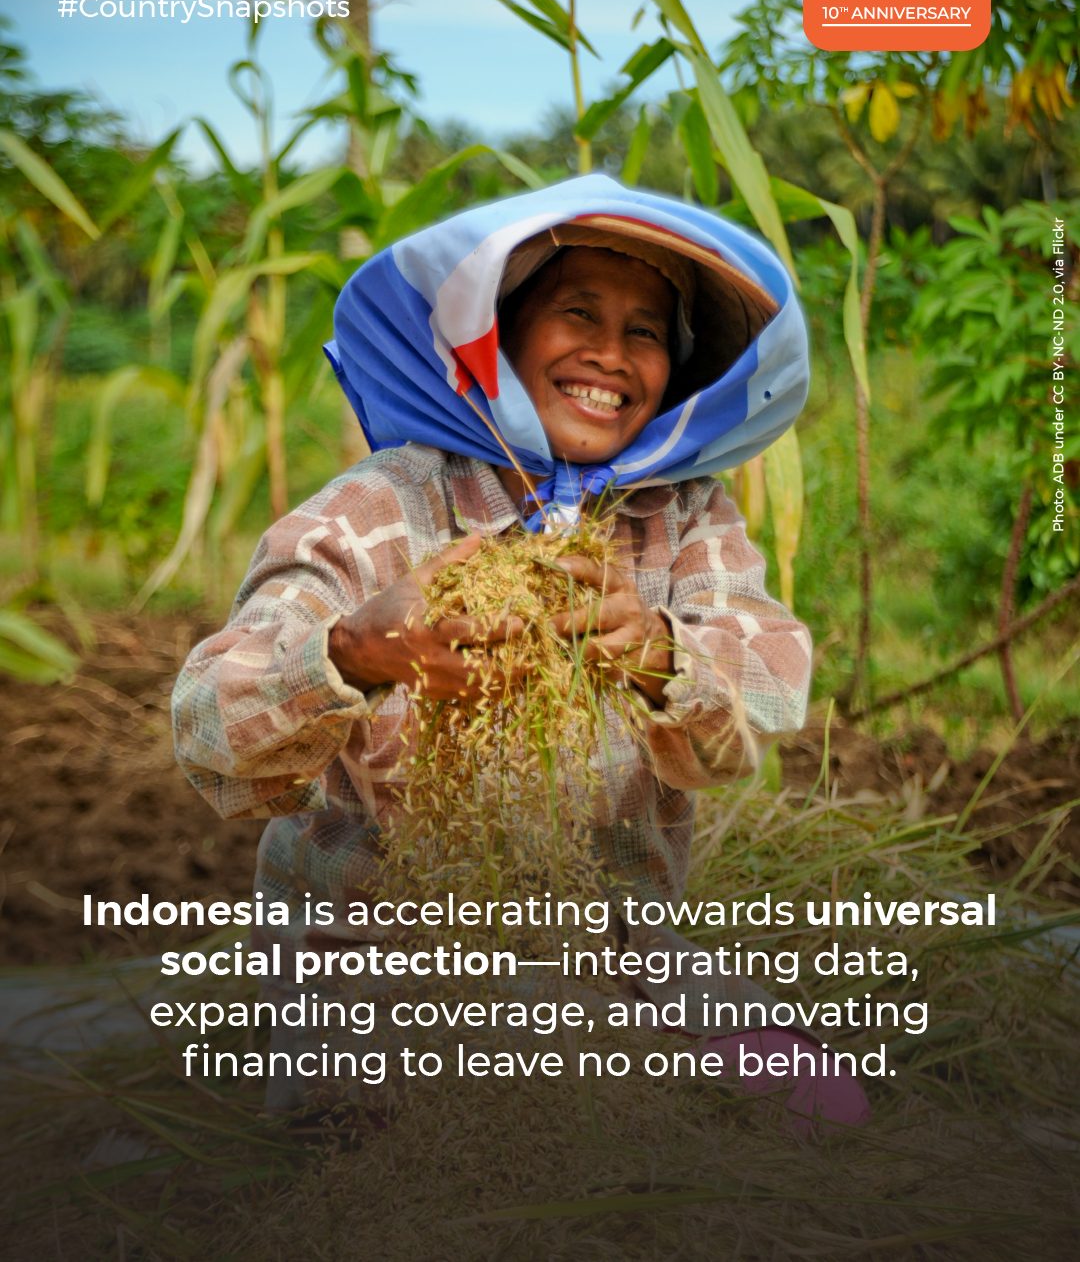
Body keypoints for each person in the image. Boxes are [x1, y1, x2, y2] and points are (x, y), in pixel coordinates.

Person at [172, 174, 868, 1131]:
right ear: (497, 338)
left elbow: (765, 691)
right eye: (577, 312)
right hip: (386, 976)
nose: (609, 354)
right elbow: (207, 722)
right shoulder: (382, 506)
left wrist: (658, 651)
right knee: (502, 1129)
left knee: (826, 1107)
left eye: (645, 332)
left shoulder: (682, 515)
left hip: (618, 961)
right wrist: (358, 651)